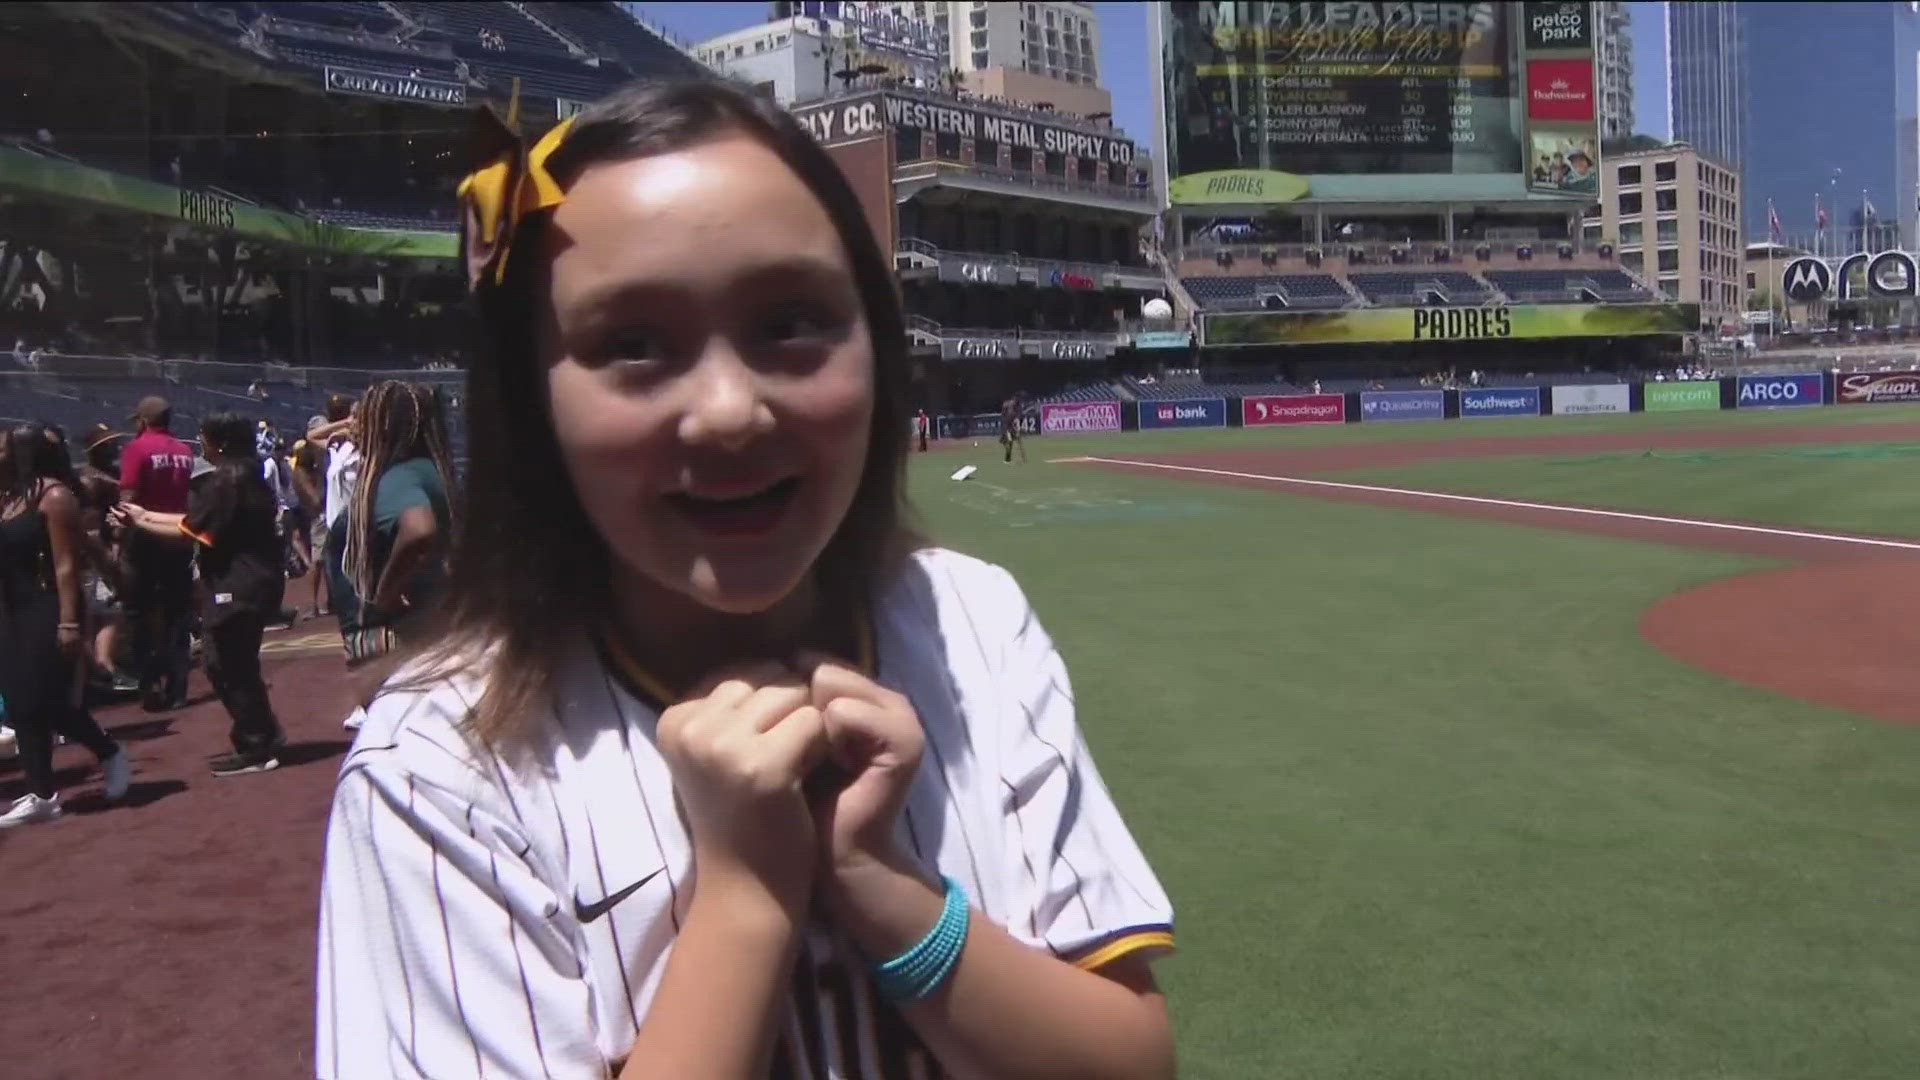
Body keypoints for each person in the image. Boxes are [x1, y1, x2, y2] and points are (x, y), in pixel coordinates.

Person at [316, 80, 1175, 1079]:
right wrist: (744, 898)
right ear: (530, 398)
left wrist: (885, 891)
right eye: (632, 345)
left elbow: (1129, 1062)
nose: (729, 413)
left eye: (792, 322)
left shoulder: (973, 618)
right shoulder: (439, 763)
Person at [116, 412, 286, 777]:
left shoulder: (229, 478)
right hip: (250, 580)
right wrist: (143, 515)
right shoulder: (241, 472)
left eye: (204, 436)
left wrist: (142, 521)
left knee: (227, 661)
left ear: (219, 440)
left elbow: (189, 532)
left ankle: (257, 741)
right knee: (230, 660)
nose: (201, 443)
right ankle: (261, 732)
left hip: (238, 583)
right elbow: (191, 523)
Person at [1, 422, 130, 828]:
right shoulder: (7, 500)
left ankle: (108, 752)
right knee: (22, 704)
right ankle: (41, 794)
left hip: (45, 607)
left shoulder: (53, 497)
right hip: (9, 610)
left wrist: (70, 622)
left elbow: (66, 565)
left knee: (46, 700)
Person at [337, 379, 455, 650]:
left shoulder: (397, 476)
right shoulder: (426, 468)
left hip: (400, 630)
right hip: (433, 615)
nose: (351, 425)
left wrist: (385, 595)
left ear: (383, 426)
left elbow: (419, 529)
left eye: (360, 418)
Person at [119, 395, 195, 711]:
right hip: (176, 534)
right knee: (178, 613)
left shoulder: (137, 449)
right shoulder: (184, 450)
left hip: (145, 535)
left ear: (142, 420)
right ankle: (178, 686)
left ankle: (147, 681)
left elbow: (128, 496)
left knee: (138, 611)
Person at [307, 394, 361, 637]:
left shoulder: (370, 450)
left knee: (357, 583)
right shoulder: (340, 445)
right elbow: (312, 436)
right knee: (340, 586)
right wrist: (344, 423)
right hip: (334, 524)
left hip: (356, 522)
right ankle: (352, 633)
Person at [1000, 393, 1027, 464]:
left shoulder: (1017, 408)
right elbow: (1004, 418)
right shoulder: (1007, 405)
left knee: (1013, 442)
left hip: (1011, 426)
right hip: (1006, 426)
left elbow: (1017, 418)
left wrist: (1017, 428)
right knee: (1009, 442)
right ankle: (1007, 459)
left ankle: (1008, 459)